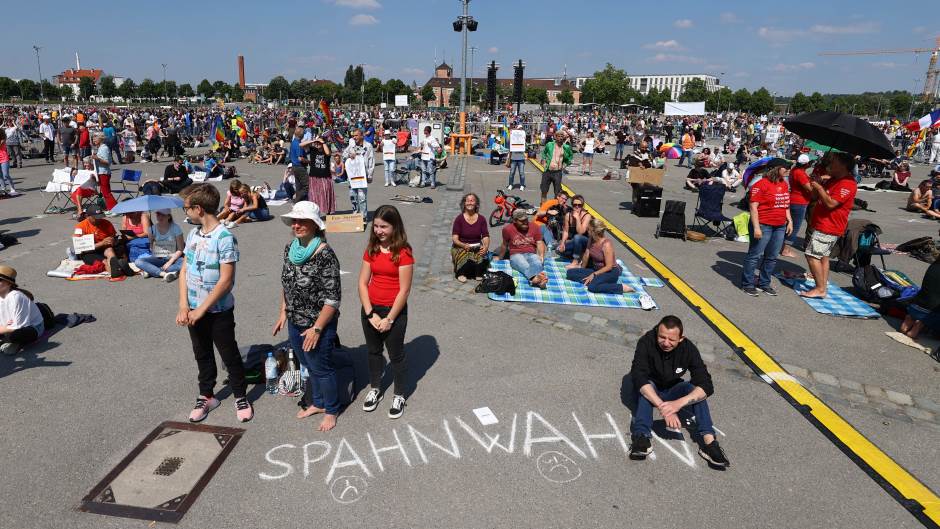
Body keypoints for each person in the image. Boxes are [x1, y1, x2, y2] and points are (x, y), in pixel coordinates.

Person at [177, 183, 253, 423]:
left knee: (229, 354)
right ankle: (206, 395)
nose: (185, 212)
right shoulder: (192, 235)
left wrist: (202, 309)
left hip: (218, 311)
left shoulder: (224, 237)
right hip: (193, 310)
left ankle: (241, 395)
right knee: (202, 354)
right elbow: (184, 271)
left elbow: (226, 280)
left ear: (198, 209)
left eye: (186, 208)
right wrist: (183, 305)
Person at [273, 201, 343, 432]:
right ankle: (319, 403)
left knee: (321, 368)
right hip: (295, 319)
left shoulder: (326, 255)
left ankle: (331, 409)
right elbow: (287, 283)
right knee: (307, 364)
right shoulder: (289, 248)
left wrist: (317, 328)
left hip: (316, 323)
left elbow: (332, 299)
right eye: (295, 221)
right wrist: (283, 311)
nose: (297, 225)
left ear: (315, 225)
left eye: (303, 221)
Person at [628, 315, 730, 468]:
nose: (666, 343)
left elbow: (706, 383)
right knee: (646, 389)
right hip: (651, 386)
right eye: (662, 337)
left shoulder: (689, 349)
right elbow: (638, 377)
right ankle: (641, 436)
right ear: (657, 333)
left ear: (681, 339)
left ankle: (710, 443)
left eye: (671, 340)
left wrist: (678, 403)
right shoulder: (646, 342)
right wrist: (666, 409)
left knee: (694, 391)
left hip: (674, 388)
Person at [358, 205, 414, 419]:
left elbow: (404, 290)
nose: (378, 231)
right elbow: (362, 283)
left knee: (396, 355)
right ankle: (375, 388)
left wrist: (389, 319)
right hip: (371, 309)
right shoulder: (371, 249)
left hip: (394, 312)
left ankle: (399, 394)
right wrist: (370, 313)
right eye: (376, 227)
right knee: (373, 352)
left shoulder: (403, 252)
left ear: (395, 226)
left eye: (384, 227)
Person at [801, 152, 858, 299]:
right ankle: (822, 285)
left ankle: (820, 289)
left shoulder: (848, 183)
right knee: (823, 257)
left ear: (844, 166)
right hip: (821, 223)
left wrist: (820, 188)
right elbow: (814, 197)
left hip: (830, 225)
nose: (830, 165)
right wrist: (817, 185)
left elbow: (831, 203)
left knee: (811, 255)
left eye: (834, 162)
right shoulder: (833, 179)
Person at [741, 164, 792, 296]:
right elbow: (753, 207)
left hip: (780, 226)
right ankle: (748, 284)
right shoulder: (761, 184)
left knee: (772, 257)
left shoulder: (784, 184)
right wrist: (757, 227)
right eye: (785, 167)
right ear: (775, 168)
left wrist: (789, 220)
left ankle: (764, 283)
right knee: (754, 255)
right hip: (763, 225)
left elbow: (785, 204)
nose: (788, 170)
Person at [565, 219, 635, 294]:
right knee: (570, 273)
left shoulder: (606, 244)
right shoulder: (591, 239)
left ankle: (621, 287)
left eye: (589, 229)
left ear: (594, 232)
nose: (587, 231)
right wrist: (582, 270)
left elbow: (609, 266)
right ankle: (596, 282)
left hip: (609, 272)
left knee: (592, 287)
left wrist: (594, 274)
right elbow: (586, 254)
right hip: (596, 270)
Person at [73, 203, 133, 279]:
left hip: (106, 248)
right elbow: (80, 247)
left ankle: (116, 266)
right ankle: (115, 271)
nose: (98, 219)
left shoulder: (107, 223)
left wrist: (112, 240)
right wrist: (101, 243)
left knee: (111, 250)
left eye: (100, 217)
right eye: (95, 218)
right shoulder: (81, 227)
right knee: (104, 261)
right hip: (90, 251)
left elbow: (113, 236)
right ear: (87, 216)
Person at [495, 209, 548, 288]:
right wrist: (500, 257)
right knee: (522, 263)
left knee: (537, 262)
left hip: (531, 253)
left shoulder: (535, 227)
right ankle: (535, 279)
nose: (525, 222)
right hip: (516, 254)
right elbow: (504, 245)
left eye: (526, 219)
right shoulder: (507, 229)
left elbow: (539, 243)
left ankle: (537, 280)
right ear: (515, 221)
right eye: (522, 221)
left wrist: (541, 256)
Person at [0, 266, 44, 357]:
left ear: (9, 283)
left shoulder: (15, 297)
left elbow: (17, 327)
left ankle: (16, 343)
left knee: (15, 335)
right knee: (7, 334)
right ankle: (7, 340)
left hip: (33, 327)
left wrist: (6, 328)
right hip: (8, 327)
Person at [135, 209, 184, 282]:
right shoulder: (152, 229)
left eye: (163, 215)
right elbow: (151, 248)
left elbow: (180, 249)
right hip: (158, 257)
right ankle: (163, 274)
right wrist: (152, 244)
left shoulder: (176, 228)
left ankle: (152, 271)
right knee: (138, 261)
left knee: (185, 264)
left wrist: (169, 262)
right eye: (158, 214)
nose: (160, 217)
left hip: (174, 258)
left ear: (168, 216)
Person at [451, 193, 490, 282]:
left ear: (476, 204)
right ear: (464, 204)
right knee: (464, 255)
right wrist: (463, 245)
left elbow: (485, 236)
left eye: (472, 201)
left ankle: (477, 272)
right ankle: (460, 273)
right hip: (460, 246)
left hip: (476, 244)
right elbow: (455, 238)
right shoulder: (459, 219)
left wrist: (486, 246)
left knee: (482, 254)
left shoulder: (482, 219)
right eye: (467, 201)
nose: (470, 203)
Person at [900, 257, 940, 340]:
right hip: (930, 314)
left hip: (914, 306)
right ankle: (921, 323)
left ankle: (911, 317)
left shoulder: (934, 264)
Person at [781, 155, 813, 257]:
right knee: (794, 227)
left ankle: (782, 247)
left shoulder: (795, 170)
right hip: (799, 202)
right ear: (807, 164)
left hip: (794, 199)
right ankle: (786, 250)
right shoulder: (800, 173)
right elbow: (809, 189)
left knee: (788, 225)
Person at [344, 131, 375, 221]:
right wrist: (350, 155)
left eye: (356, 135)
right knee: (353, 196)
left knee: (362, 197)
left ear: (362, 136)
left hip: (363, 176)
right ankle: (356, 213)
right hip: (352, 176)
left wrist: (370, 175)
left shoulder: (368, 146)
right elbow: (344, 155)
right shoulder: (351, 146)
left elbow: (371, 160)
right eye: (353, 136)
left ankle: (363, 216)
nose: (354, 137)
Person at [539, 130, 574, 203]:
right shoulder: (549, 145)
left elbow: (570, 156)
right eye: (559, 136)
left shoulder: (565, 147)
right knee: (544, 191)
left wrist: (566, 164)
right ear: (555, 137)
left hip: (557, 172)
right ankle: (543, 209)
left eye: (562, 136)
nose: (560, 138)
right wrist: (543, 160)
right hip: (548, 171)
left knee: (557, 193)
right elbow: (544, 153)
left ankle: (555, 209)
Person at [556, 195, 591, 260]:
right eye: (575, 205)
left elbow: (580, 232)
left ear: (582, 205)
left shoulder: (587, 216)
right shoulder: (568, 215)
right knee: (559, 250)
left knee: (577, 237)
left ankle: (576, 260)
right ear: (572, 205)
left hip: (585, 242)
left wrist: (577, 218)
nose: (577, 207)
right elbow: (566, 231)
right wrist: (562, 243)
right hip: (574, 242)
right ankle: (577, 255)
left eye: (579, 205)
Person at [91, 133, 117, 211]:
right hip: (101, 172)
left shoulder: (104, 148)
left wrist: (97, 158)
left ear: (101, 139)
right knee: (105, 192)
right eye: (93, 139)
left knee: (106, 192)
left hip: (104, 172)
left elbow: (107, 162)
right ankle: (112, 208)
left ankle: (113, 209)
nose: (93, 140)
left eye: (95, 138)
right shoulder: (100, 148)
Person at [507, 124, 526, 191]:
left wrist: (523, 137)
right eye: (519, 128)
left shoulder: (523, 135)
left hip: (521, 158)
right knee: (512, 172)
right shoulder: (513, 136)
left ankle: (522, 185)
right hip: (513, 157)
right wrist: (510, 134)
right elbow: (508, 142)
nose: (520, 129)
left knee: (521, 173)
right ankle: (510, 184)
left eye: (521, 128)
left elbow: (525, 145)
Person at [0, 129, 19, 196]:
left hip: (4, 158)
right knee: (0, 175)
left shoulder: (3, 139)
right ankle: (3, 188)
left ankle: (12, 188)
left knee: (5, 174)